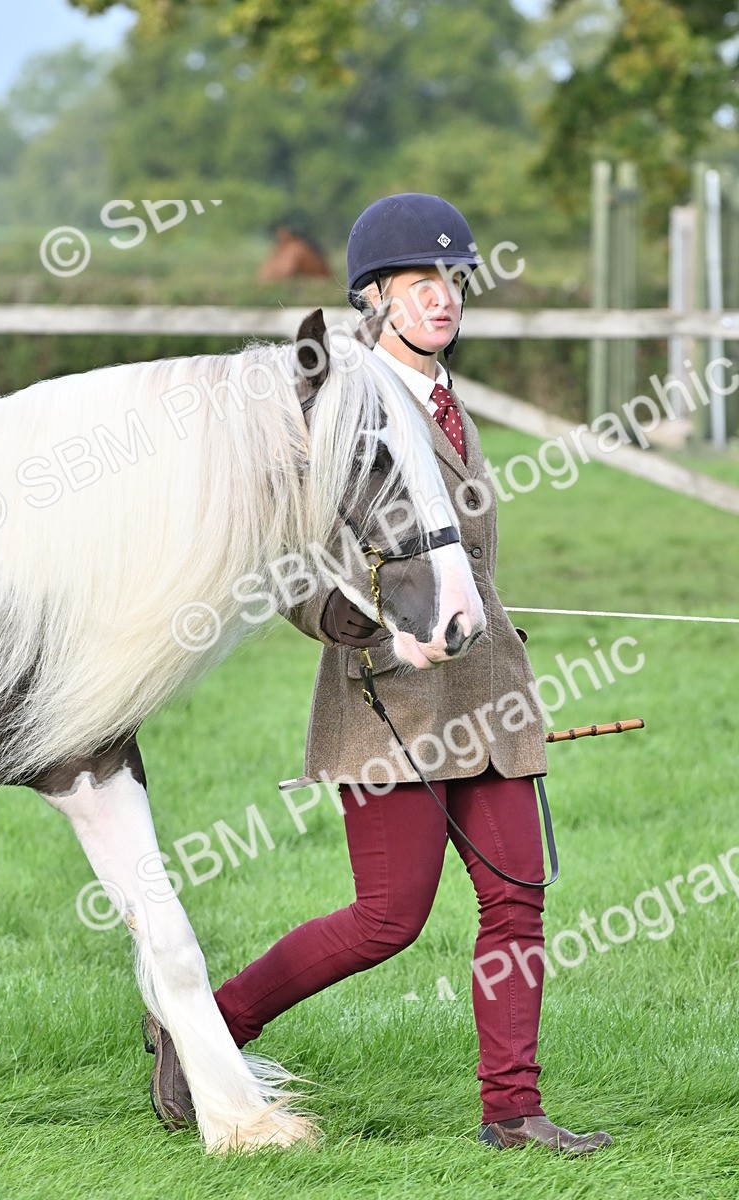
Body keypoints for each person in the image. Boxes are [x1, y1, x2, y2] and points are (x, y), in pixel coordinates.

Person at [143, 193, 613, 1155]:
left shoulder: (448, 398)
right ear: (374, 298)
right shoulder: (341, 407)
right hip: (386, 698)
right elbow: (289, 570)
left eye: (454, 280)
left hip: (490, 693)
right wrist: (382, 637)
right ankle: (205, 1030)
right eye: (421, 283)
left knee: (518, 896)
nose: (445, 298)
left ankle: (512, 1113)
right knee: (386, 920)